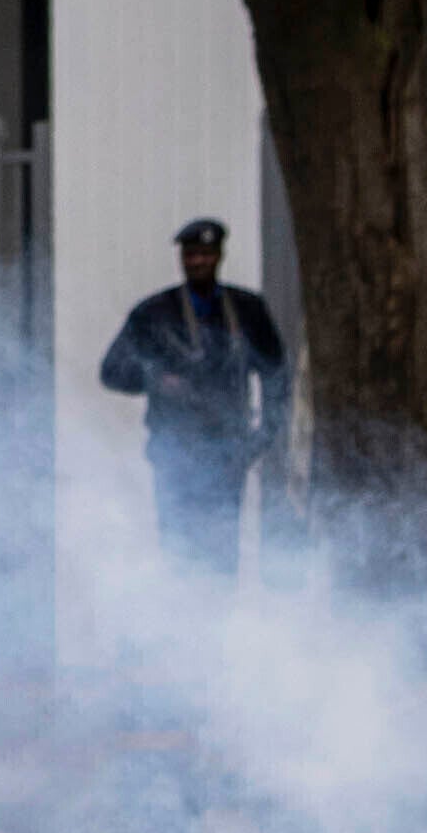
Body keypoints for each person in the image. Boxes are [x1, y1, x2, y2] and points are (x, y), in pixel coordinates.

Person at [96, 215, 296, 572]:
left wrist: (262, 437)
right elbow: (111, 372)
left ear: (219, 255)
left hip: (226, 454)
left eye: (205, 253)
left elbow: (276, 375)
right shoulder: (154, 313)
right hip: (176, 455)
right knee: (178, 553)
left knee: (222, 555)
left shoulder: (247, 310)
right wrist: (156, 379)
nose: (198, 261)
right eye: (191, 254)